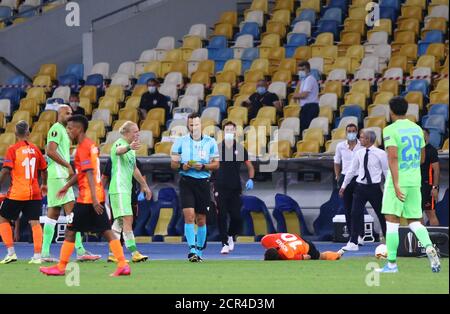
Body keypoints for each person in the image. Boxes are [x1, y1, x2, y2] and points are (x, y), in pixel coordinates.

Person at [39, 115, 130, 277]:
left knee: (70, 231)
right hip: (96, 195)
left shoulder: (82, 148)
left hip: (88, 198)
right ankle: (122, 264)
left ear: (79, 129)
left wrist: (94, 199)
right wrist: (67, 186)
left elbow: (88, 173)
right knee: (106, 231)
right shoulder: (90, 145)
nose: (68, 131)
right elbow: (83, 172)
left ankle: (61, 267)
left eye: (70, 127)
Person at [377, 96, 440, 273]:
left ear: (391, 111)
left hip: (398, 180)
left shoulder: (390, 130)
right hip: (414, 181)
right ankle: (429, 246)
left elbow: (393, 157)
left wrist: (396, 184)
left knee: (391, 221)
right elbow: (422, 158)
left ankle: (391, 264)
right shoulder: (417, 129)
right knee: (415, 221)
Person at [41, 105, 100, 262]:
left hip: (56, 176)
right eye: (66, 113)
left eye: (71, 113)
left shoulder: (63, 131)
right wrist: (68, 165)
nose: (69, 115)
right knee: (73, 213)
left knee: (53, 213)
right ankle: (80, 251)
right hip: (59, 175)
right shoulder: (56, 129)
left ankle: (45, 252)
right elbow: (50, 151)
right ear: (58, 114)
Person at [170, 113, 220, 262]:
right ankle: (192, 249)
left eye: (196, 124)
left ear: (201, 125)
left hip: (203, 183)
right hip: (186, 182)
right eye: (191, 125)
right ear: (188, 126)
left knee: (201, 219)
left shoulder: (210, 142)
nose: (194, 127)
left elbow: (216, 164)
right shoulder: (180, 142)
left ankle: (199, 251)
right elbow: (173, 164)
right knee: (189, 215)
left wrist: (204, 166)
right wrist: (182, 166)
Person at [0, 121, 47, 264]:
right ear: (28, 133)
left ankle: (11, 253)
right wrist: (44, 184)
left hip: (17, 193)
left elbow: (6, 171)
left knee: (2, 219)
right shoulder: (36, 149)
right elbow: (44, 170)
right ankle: (38, 256)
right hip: (34, 193)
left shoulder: (12, 149)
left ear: (15, 134)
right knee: (35, 223)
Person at [107, 121, 152, 263]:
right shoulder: (119, 144)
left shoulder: (132, 150)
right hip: (118, 189)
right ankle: (134, 252)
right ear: (127, 133)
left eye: (138, 131)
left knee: (120, 222)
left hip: (125, 189)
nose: (138, 134)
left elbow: (134, 169)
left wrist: (144, 185)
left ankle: (113, 253)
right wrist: (129, 147)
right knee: (127, 219)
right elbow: (119, 151)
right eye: (135, 132)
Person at [339, 129, 388, 251]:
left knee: (382, 215)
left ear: (368, 139)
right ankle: (354, 241)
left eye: (361, 137)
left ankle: (389, 241)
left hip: (374, 188)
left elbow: (386, 172)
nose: (359, 139)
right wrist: (344, 186)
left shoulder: (381, 153)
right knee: (355, 213)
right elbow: (351, 170)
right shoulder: (359, 153)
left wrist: (388, 189)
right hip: (360, 187)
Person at [213, 121, 255, 254]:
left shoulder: (241, 149)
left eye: (232, 130)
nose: (229, 132)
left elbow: (250, 166)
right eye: (227, 130)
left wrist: (251, 178)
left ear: (235, 132)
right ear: (223, 132)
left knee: (237, 217)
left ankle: (231, 235)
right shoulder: (217, 148)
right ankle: (224, 243)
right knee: (222, 215)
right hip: (220, 186)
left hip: (235, 187)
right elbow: (210, 165)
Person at [102, 157, 146, 262]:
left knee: (126, 223)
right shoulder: (112, 160)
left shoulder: (135, 160)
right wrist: (99, 193)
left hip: (131, 196)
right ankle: (132, 253)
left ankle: (114, 253)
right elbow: (105, 177)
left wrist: (143, 190)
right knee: (124, 222)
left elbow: (141, 176)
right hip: (117, 195)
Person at [334, 123, 364, 245]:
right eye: (349, 131)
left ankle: (360, 235)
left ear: (357, 132)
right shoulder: (340, 146)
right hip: (345, 177)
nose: (351, 133)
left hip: (358, 178)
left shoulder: (362, 146)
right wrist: (337, 176)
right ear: (346, 133)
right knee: (347, 208)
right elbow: (336, 161)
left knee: (358, 208)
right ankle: (352, 236)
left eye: (353, 131)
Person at [262, 233, 343, 261]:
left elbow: (307, 256)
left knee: (320, 256)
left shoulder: (289, 255)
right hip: (295, 237)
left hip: (307, 247)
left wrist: (301, 257)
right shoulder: (265, 239)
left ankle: (337, 254)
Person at [292, 61, 319, 137]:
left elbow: (304, 94)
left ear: (308, 70)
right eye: (299, 70)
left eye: (303, 69)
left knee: (306, 130)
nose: (301, 72)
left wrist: (295, 96)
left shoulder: (310, 79)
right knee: (303, 129)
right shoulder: (303, 80)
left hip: (311, 107)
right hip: (305, 107)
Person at [421, 128, 440, 226]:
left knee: (430, 213)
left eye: (423, 134)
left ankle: (435, 239)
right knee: (417, 215)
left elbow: (436, 170)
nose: (421, 136)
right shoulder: (416, 149)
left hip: (428, 186)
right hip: (417, 185)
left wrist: (434, 187)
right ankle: (422, 239)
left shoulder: (431, 150)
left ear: (427, 136)